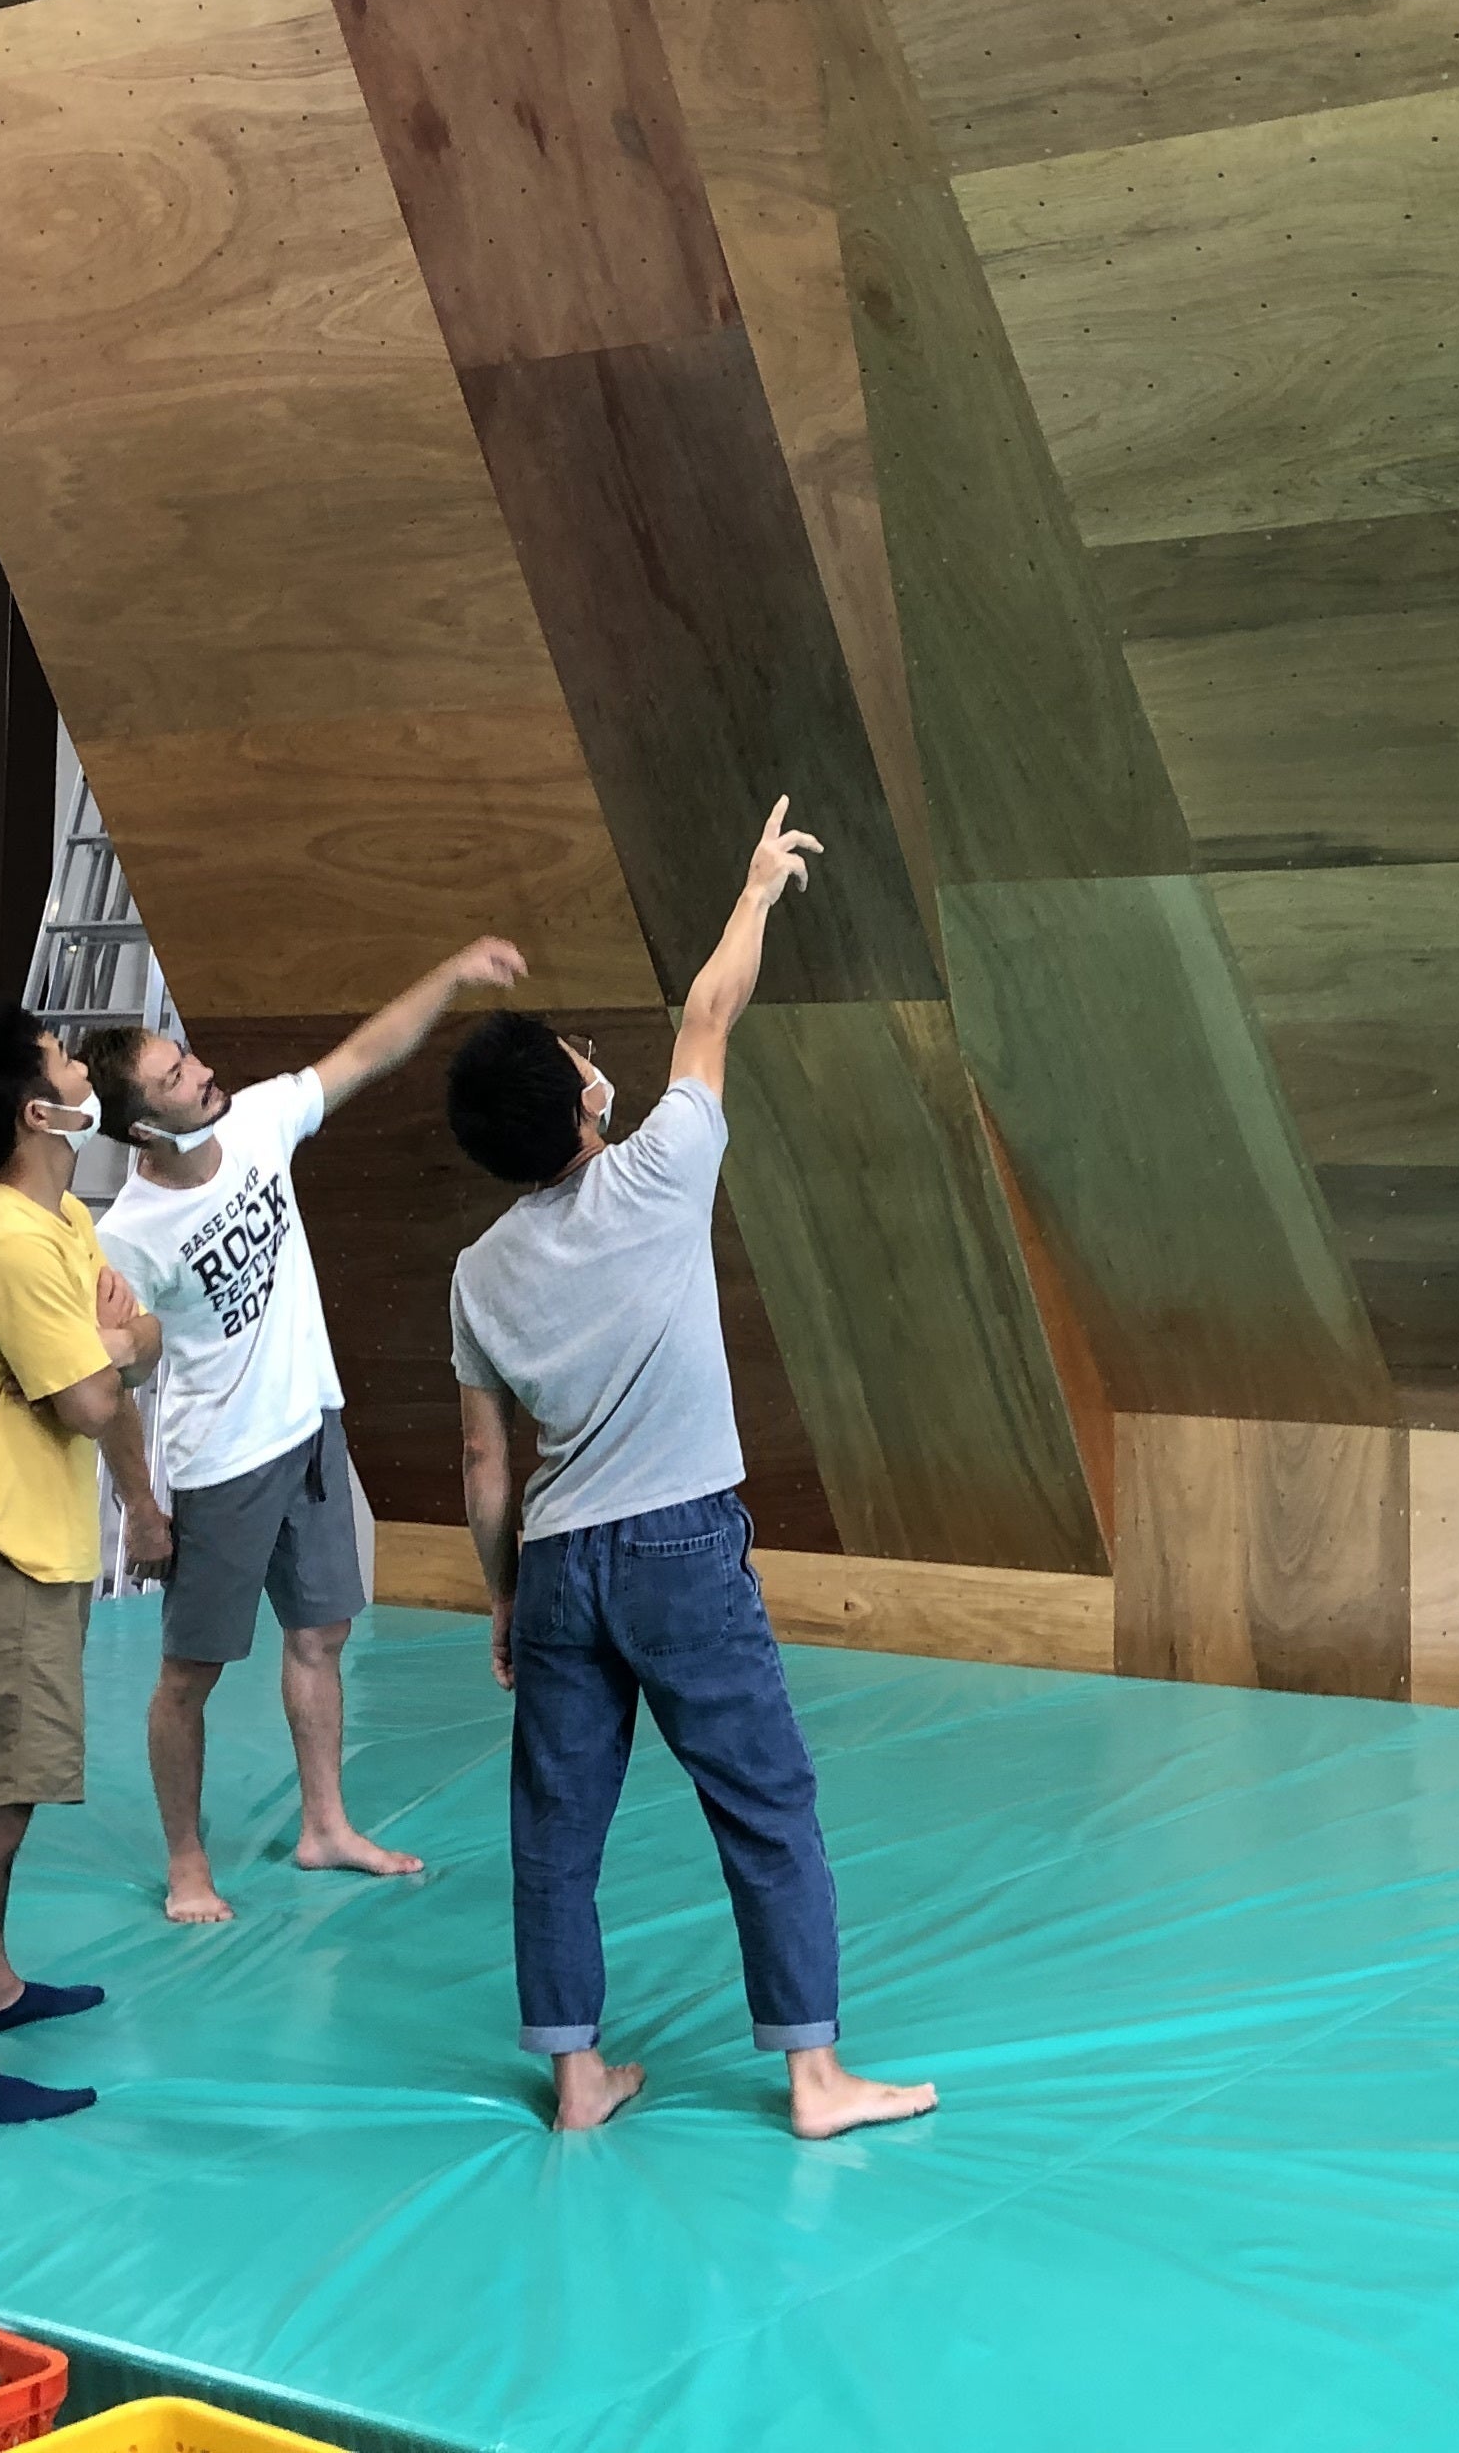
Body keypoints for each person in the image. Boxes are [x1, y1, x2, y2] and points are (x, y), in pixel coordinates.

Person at [444, 797, 937, 2142]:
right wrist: (758, 886)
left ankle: (577, 2081)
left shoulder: (477, 1272)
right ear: (580, 1101)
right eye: (575, 1053)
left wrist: (504, 1594)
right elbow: (711, 1011)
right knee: (765, 1805)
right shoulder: (660, 1170)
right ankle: (816, 2080)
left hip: (558, 1563)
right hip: (679, 1551)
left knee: (555, 1830)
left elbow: (486, 1462)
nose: (592, 1057)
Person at [76, 936, 530, 1926]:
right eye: (176, 1077)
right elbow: (118, 1381)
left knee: (321, 1636)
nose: (202, 1074)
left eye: (186, 1058)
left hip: (310, 1429)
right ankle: (187, 1863)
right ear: (144, 1128)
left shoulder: (258, 1121)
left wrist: (451, 973)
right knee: (189, 1676)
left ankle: (325, 1825)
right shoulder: (127, 1239)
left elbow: (367, 1052)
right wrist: (142, 1508)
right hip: (220, 1465)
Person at [0, 1004, 172, 2126]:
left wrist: (121, 1344)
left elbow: (139, 1339)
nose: (81, 1065)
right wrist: (117, 1350)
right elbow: (94, 1396)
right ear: (36, 1112)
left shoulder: (54, 1220)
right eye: (62, 1060)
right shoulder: (10, 1244)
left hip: (38, 1558)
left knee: (6, 1808)